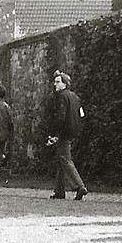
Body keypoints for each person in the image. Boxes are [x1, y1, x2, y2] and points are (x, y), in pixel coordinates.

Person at [47, 71, 87, 200]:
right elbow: (81, 114)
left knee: (65, 159)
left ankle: (79, 186)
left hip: (65, 132)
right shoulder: (75, 97)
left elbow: (60, 117)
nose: (55, 84)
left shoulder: (61, 97)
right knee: (61, 159)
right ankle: (59, 191)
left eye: (58, 82)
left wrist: (54, 134)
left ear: (65, 84)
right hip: (74, 131)